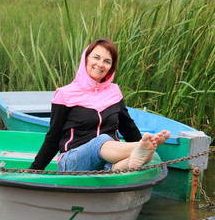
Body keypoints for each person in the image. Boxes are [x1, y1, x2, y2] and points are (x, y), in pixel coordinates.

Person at [29, 38, 170, 171]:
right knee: (101, 140)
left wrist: (141, 141)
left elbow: (128, 127)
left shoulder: (114, 92)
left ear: (111, 67)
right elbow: (53, 138)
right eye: (96, 57)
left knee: (123, 160)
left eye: (107, 61)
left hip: (107, 160)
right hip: (73, 161)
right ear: (86, 59)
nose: (100, 64)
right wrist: (34, 169)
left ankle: (133, 159)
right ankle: (142, 148)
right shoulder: (65, 94)